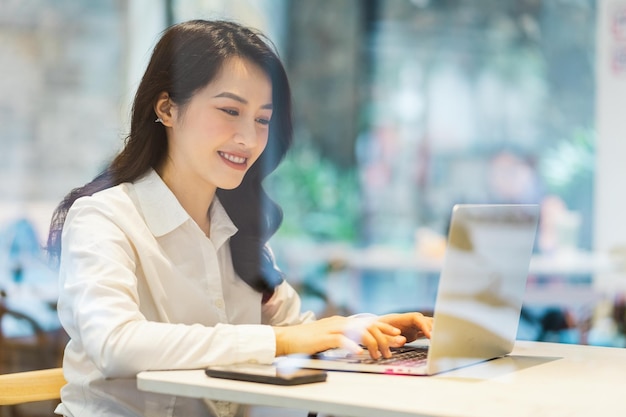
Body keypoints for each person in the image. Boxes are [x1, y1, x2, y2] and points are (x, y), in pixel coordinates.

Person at [46, 19, 433, 417]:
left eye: (262, 119)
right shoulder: (104, 217)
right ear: (167, 108)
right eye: (230, 110)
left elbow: (296, 330)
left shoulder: (240, 228)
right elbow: (116, 344)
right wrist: (281, 343)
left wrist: (367, 330)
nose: (249, 139)